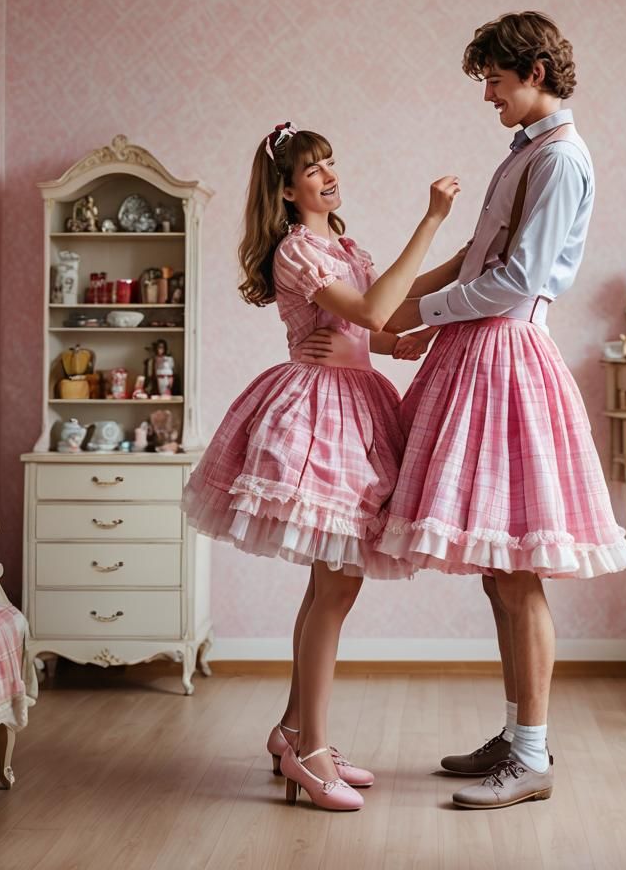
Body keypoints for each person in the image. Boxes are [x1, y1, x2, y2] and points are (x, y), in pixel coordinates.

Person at [382, 12, 626, 809]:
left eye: (493, 78)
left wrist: (427, 315)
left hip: (507, 359)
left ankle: (532, 756)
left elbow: (518, 281)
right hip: (478, 354)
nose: (486, 94)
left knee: (518, 570)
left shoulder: (561, 159)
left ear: (532, 70)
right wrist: (401, 304)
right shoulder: (522, 154)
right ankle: (518, 734)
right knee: (498, 572)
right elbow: (476, 257)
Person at [181, 122, 459, 812]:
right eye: (313, 170)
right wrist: (431, 219)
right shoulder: (299, 249)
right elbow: (365, 306)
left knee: (330, 589)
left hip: (357, 404)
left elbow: (383, 306)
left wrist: (458, 264)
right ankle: (308, 754)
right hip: (322, 416)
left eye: (332, 162)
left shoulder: (340, 242)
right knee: (334, 589)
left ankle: (292, 731)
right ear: (286, 188)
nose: (329, 175)